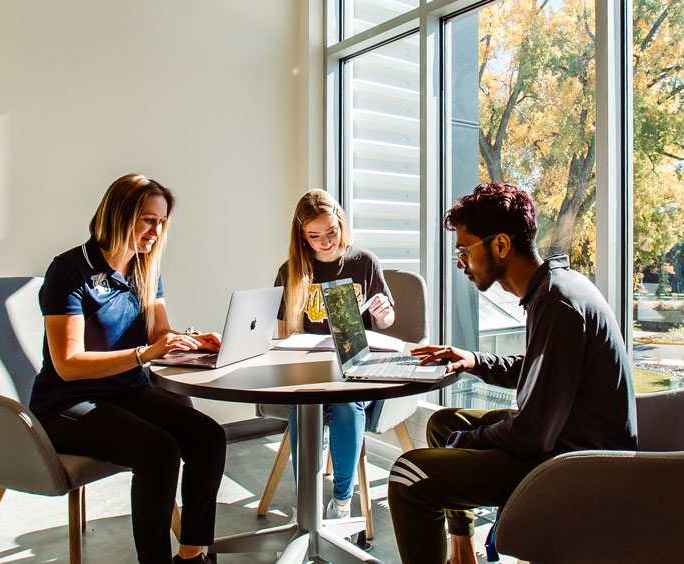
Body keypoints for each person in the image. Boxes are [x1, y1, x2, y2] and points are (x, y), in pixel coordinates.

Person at [389, 182, 638, 564]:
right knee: (443, 422)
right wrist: (475, 360)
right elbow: (541, 368)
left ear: (501, 245)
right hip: (564, 442)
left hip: (578, 469)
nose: (461, 263)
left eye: (464, 250)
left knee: (410, 475)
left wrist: (468, 441)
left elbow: (531, 435)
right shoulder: (554, 289)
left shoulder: (558, 304)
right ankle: (462, 553)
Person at [29, 173, 226, 564]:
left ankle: (191, 555)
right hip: (67, 404)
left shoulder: (145, 268)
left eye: (162, 222)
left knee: (209, 436)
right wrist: (143, 354)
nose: (156, 231)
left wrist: (190, 341)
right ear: (120, 215)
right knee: (159, 451)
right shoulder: (69, 271)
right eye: (149, 220)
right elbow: (67, 366)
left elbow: (160, 334)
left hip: (127, 392)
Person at [273, 189, 396, 520]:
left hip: (357, 370)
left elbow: (385, 322)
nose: (325, 243)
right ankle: (308, 502)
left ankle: (341, 503)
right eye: (314, 236)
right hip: (311, 372)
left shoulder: (364, 262)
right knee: (303, 405)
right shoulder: (292, 271)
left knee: (346, 404)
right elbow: (284, 334)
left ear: (341, 224)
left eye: (331, 232)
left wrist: (384, 314)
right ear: (302, 236)